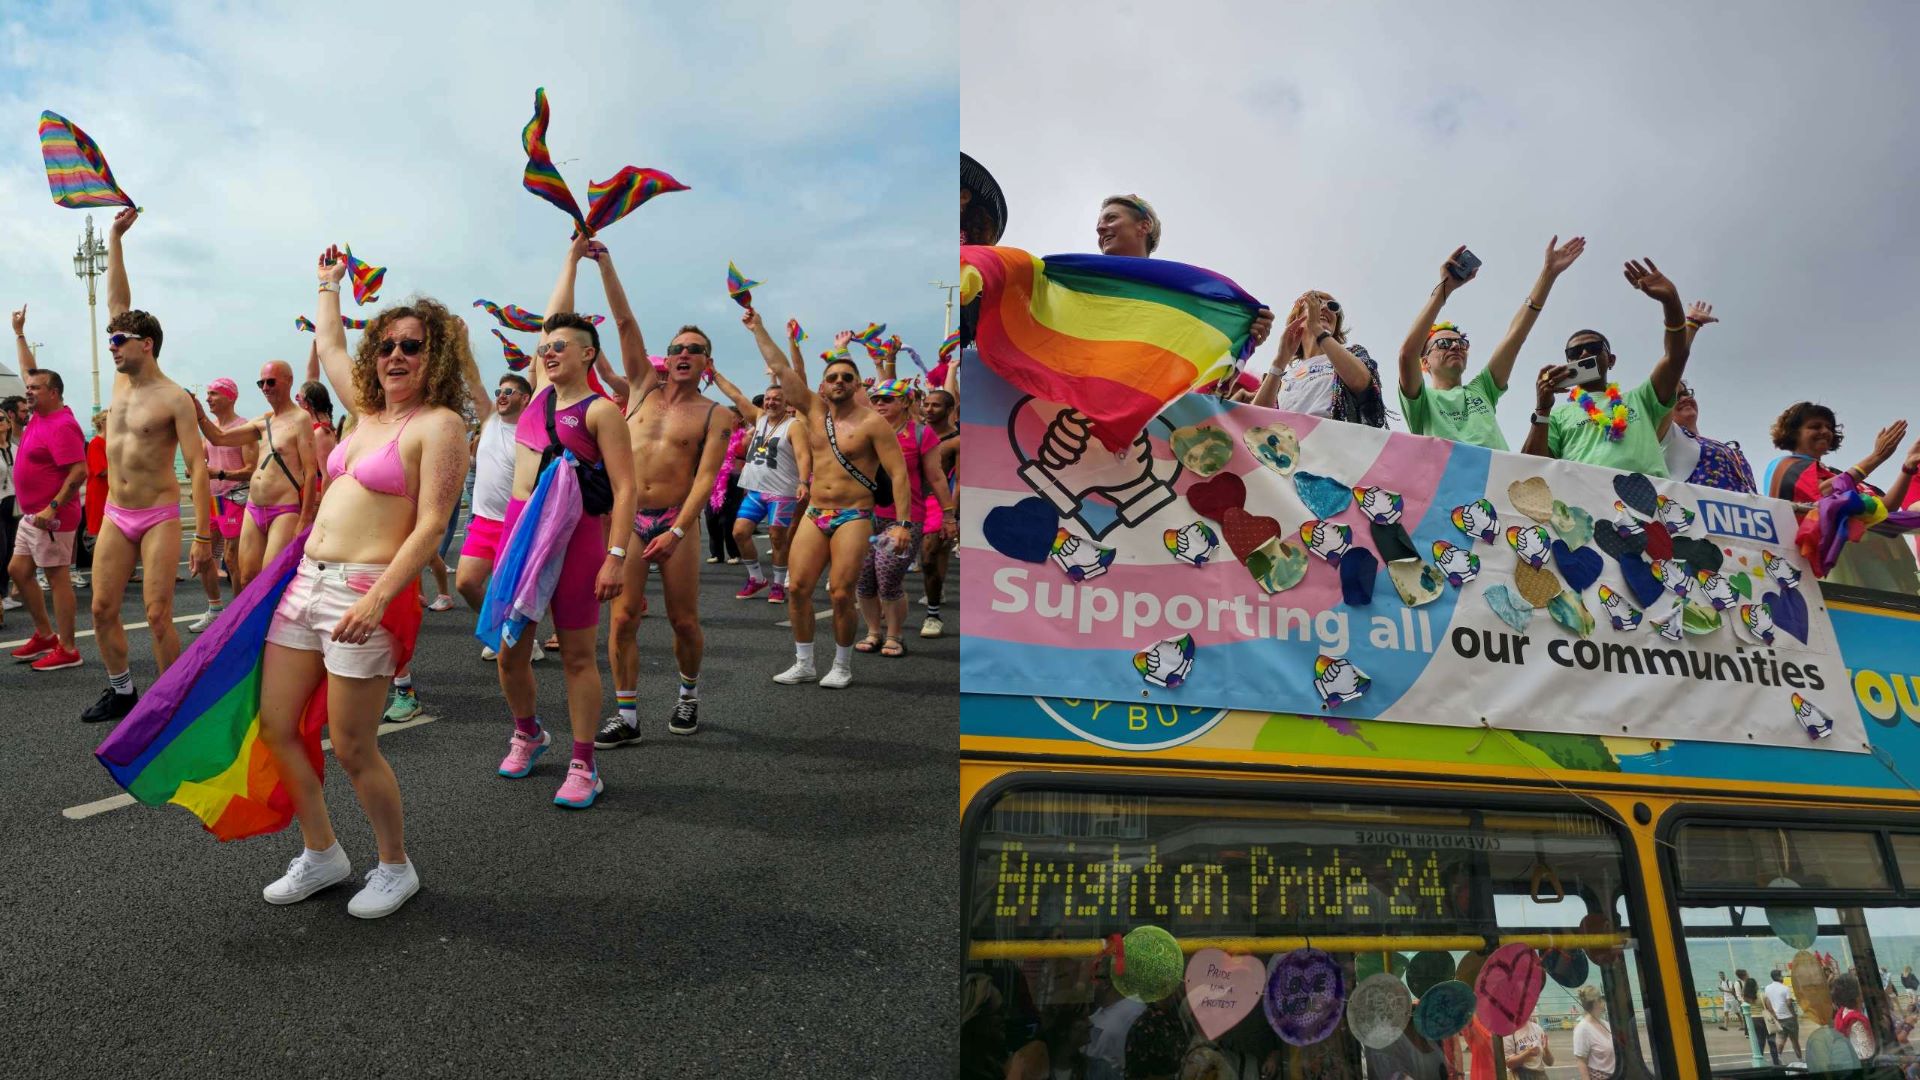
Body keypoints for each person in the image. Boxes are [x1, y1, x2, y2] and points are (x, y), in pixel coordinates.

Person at [254, 245, 471, 918]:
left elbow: (431, 525)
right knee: (277, 725)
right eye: (386, 345)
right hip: (305, 582)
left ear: (435, 356)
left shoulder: (440, 425)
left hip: (364, 592)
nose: (396, 356)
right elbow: (329, 340)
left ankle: (394, 865)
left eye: (413, 345)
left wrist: (379, 599)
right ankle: (323, 854)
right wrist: (327, 284)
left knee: (351, 744)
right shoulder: (363, 409)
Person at [572, 237, 730, 748]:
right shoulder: (641, 386)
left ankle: (687, 694)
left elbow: (705, 478)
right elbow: (623, 323)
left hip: (677, 524)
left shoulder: (715, 413)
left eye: (695, 350)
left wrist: (680, 529)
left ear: (708, 362)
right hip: (630, 522)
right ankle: (628, 714)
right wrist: (604, 263)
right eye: (678, 348)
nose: (684, 355)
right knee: (621, 619)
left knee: (683, 620)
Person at [491, 239, 633, 806]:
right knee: (509, 651)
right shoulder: (536, 401)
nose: (548, 353)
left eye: (561, 347)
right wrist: (571, 262)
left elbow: (626, 489)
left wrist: (617, 556)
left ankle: (583, 764)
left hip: (578, 541)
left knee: (577, 654)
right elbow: (552, 316)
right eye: (545, 347)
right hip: (520, 534)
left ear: (589, 355)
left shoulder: (600, 411)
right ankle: (528, 733)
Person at [748, 317, 914, 689]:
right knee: (798, 588)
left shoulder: (873, 423)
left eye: (846, 378)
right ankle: (804, 662)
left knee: (841, 593)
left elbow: (899, 474)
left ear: (857, 386)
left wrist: (903, 524)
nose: (839, 382)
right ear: (823, 386)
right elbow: (779, 366)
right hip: (814, 512)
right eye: (833, 377)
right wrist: (758, 326)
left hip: (854, 514)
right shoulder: (811, 411)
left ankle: (841, 664)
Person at [1396, 237, 1586, 449]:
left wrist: (1548, 274)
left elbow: (1515, 336)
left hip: (1496, 480)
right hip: (1449, 481)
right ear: (1425, 363)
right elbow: (1407, 354)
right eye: (1443, 344)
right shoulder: (1420, 401)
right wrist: (1444, 289)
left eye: (1461, 342)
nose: (1455, 346)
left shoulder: (1482, 389)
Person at [1523, 258, 1692, 474]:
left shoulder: (1641, 399)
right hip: (1585, 502)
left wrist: (1671, 303)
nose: (1584, 353)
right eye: (1574, 353)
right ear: (1568, 362)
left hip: (1651, 499)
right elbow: (1531, 469)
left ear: (1610, 360)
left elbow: (1676, 356)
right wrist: (1542, 409)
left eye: (1593, 347)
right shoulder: (1558, 415)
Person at [855, 375, 955, 659]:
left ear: (905, 401)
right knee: (864, 579)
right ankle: (874, 631)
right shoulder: (862, 430)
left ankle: (895, 635)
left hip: (902, 519)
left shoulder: (922, 434)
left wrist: (949, 516)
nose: (879, 404)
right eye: (875, 399)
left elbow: (936, 477)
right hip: (862, 515)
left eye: (887, 399)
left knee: (887, 577)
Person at [196, 359, 318, 591]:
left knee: (271, 580)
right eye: (261, 383)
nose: (265, 388)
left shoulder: (300, 420)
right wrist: (200, 416)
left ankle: (274, 626)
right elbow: (219, 438)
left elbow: (311, 473)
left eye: (271, 382)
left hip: (283, 510)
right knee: (246, 578)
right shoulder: (264, 420)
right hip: (254, 507)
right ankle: (243, 624)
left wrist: (304, 519)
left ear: (289, 381)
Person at [1093, 194, 1273, 347]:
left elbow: (1200, 354)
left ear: (1144, 226)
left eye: (1111, 218)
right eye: (1100, 223)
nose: (1099, 228)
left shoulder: (1177, 295)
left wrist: (1242, 335)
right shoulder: (1082, 284)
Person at [5, 350, 88, 671]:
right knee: (18, 571)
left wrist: (52, 506)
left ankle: (68, 648)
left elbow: (79, 472)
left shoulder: (62, 424)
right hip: (31, 516)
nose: (28, 392)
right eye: (28, 389)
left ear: (53, 393)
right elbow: (31, 370)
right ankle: (44, 635)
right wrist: (20, 334)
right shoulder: (39, 415)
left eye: (35, 389)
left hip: (52, 517)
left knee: (57, 578)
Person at [459, 373, 544, 663]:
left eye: (509, 391)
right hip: (483, 522)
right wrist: (462, 340)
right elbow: (475, 384)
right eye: (499, 390)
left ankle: (519, 639)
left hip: (515, 526)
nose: (502, 395)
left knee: (511, 594)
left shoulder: (531, 433)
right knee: (466, 583)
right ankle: (502, 630)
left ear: (524, 398)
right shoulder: (490, 422)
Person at [708, 373, 810, 606]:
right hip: (755, 491)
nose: (771, 402)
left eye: (777, 399)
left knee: (777, 537)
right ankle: (756, 578)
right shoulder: (759, 419)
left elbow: (804, 455)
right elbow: (735, 394)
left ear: (787, 403)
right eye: (768, 398)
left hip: (782, 493)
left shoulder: (794, 426)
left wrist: (803, 481)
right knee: (739, 533)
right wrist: (714, 374)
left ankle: (778, 584)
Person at [1251, 289, 1386, 428]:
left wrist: (1317, 329)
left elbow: (1362, 382)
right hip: (1291, 447)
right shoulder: (1282, 377)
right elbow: (1253, 420)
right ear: (1297, 317)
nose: (1325, 307)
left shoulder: (1352, 354)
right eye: (1316, 302)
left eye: (1333, 306)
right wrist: (1280, 361)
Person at [188, 378, 257, 633]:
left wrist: (219, 474)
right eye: (207, 394)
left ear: (230, 397)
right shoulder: (211, 430)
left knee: (231, 558)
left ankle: (239, 615)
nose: (208, 398)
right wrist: (194, 472)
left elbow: (251, 470)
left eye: (214, 393)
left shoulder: (245, 428)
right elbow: (204, 463)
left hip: (235, 498)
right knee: (205, 556)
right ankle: (215, 610)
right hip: (213, 501)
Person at [1765, 402, 1918, 509]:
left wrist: (1908, 467)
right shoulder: (1784, 466)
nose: (1825, 431)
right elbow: (1823, 492)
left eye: (1829, 427)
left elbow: (1887, 506)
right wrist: (1876, 457)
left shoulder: (1838, 474)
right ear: (1793, 433)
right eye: (1815, 426)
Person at [918, 386, 958, 638]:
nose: (929, 409)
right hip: (910, 500)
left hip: (938, 502)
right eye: (927, 404)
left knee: (929, 557)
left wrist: (950, 514)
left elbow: (961, 479)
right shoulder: (916, 432)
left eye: (936, 405)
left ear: (949, 410)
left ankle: (933, 616)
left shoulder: (957, 441)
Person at [1803, 970, 1874, 1070]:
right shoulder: (1857, 1022)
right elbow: (1866, 1056)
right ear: (1856, 995)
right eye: (1860, 987)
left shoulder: (1842, 1013)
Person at [703, 412, 747, 564]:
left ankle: (734, 553)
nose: (728, 420)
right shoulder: (717, 436)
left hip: (734, 479)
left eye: (732, 417)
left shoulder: (745, 437)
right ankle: (716, 553)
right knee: (711, 516)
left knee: (728, 519)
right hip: (715, 479)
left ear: (740, 419)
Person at [1572, 985, 1617, 1080]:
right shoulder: (1583, 1029)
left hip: (1615, 1074)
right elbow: (1581, 1061)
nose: (1604, 1002)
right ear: (1597, 1002)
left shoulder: (1605, 1024)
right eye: (1601, 999)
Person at [1765, 967, 1804, 1062]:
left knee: (1781, 1038)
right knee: (1794, 1040)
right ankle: (1800, 1059)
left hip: (1777, 1018)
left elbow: (1767, 1002)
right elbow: (1789, 1003)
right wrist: (1794, 1015)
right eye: (1781, 975)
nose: (1783, 977)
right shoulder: (1785, 988)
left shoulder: (1768, 988)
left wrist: (1773, 1013)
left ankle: (1778, 1058)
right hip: (1788, 1017)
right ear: (1778, 977)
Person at [1502, 1014, 1553, 1079]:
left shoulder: (1537, 1028)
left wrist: (1546, 1049)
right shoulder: (1509, 1033)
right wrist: (1527, 1053)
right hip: (1522, 1075)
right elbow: (1509, 1064)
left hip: (1540, 1075)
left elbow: (1550, 1062)